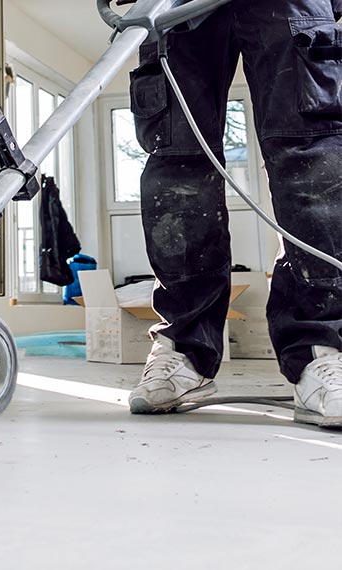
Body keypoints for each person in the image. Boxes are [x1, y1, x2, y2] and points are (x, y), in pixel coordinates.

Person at [127, 0, 342, 427]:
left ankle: (320, 349)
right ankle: (185, 349)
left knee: (311, 158)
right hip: (177, 6)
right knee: (177, 166)